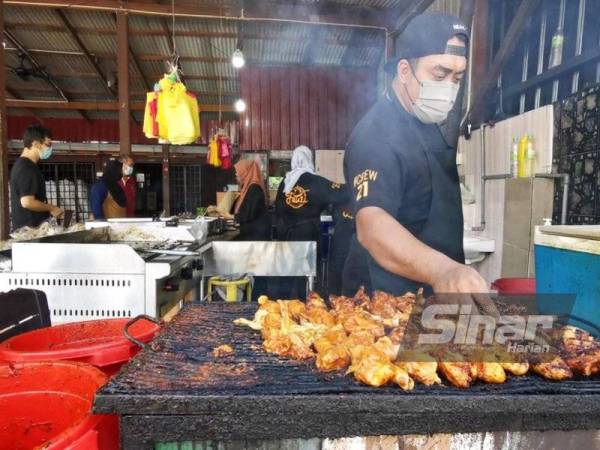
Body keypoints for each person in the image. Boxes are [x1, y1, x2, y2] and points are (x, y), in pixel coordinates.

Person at [344, 12, 498, 315]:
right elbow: (372, 226)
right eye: (439, 75)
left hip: (427, 302)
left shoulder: (426, 122)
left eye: (457, 78)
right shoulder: (375, 134)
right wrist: (443, 271)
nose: (449, 89)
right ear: (404, 71)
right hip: (385, 304)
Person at [274, 145, 347, 242]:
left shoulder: (285, 182)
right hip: (307, 235)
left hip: (284, 234)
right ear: (309, 159)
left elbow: (278, 207)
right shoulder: (315, 180)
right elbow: (341, 193)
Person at [9, 124, 62, 230]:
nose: (50, 148)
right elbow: (27, 202)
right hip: (30, 232)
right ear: (35, 143)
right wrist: (51, 208)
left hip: (31, 230)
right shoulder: (26, 168)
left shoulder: (25, 165)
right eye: (48, 144)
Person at [210, 160, 271, 241]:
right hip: (251, 232)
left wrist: (232, 217)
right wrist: (217, 209)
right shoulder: (247, 187)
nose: (236, 174)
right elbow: (243, 207)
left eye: (238, 172)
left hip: (256, 235)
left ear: (245, 172)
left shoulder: (255, 188)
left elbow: (249, 213)